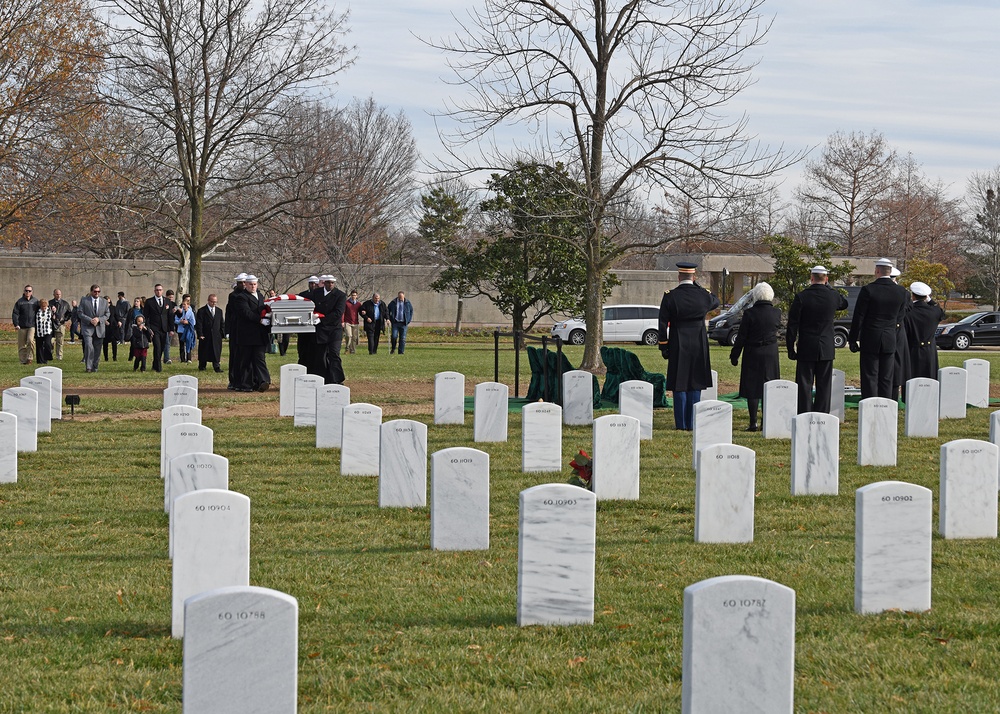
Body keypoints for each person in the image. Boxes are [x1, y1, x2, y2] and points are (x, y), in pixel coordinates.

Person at [657, 262, 720, 430]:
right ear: (694, 277)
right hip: (699, 342)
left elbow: (662, 323)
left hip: (678, 341)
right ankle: (693, 423)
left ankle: (681, 424)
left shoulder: (670, 296)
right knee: (696, 382)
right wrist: (699, 287)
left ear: (679, 277)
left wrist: (664, 345)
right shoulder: (704, 295)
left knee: (680, 383)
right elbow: (716, 301)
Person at [786, 266, 849, 414]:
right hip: (826, 345)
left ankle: (805, 412)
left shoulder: (801, 297)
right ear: (826, 279)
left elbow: (792, 325)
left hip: (807, 345)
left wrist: (790, 347)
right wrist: (830, 288)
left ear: (811, 278)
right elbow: (844, 303)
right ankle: (822, 414)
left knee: (804, 384)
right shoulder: (833, 296)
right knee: (824, 385)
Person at [848, 258, 910, 399]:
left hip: (870, 337)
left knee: (870, 375)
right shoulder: (901, 292)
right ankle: (885, 406)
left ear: (876, 271)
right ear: (890, 272)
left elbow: (859, 316)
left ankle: (870, 405)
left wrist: (853, 339)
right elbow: (900, 317)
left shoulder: (868, 290)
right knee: (886, 377)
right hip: (889, 337)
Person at [730, 283, 781, 432]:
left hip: (753, 352)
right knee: (770, 386)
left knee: (752, 387)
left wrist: (735, 355)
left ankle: (753, 423)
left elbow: (741, 337)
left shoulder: (749, 314)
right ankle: (767, 422)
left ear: (756, 295)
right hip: (771, 353)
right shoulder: (776, 313)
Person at [232, 275, 270, 391]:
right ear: (246, 285)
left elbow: (262, 309)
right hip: (247, 335)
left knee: (260, 359)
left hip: (259, 334)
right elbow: (246, 313)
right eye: (250, 284)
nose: (253, 286)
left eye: (254, 284)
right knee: (246, 360)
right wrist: (260, 319)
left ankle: (264, 381)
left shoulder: (260, 296)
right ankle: (246, 385)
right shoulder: (241, 297)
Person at [904, 281, 945, 381]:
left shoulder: (908, 312)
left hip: (911, 350)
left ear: (913, 296)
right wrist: (930, 300)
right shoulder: (934, 311)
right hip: (929, 351)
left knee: (911, 381)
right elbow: (941, 312)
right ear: (926, 296)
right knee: (929, 381)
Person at [311, 274, 347, 384]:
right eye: (328, 282)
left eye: (332, 283)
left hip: (334, 330)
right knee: (321, 355)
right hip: (321, 330)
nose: (330, 285)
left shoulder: (340, 295)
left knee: (334, 354)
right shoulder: (316, 293)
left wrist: (322, 319)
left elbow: (338, 312)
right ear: (324, 283)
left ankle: (337, 379)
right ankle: (323, 379)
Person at [78, 284, 110, 372]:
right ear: (91, 291)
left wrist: (99, 319)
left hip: (100, 328)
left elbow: (107, 314)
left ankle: (95, 366)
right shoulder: (84, 300)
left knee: (97, 349)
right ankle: (88, 367)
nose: (97, 293)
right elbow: (80, 313)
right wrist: (90, 320)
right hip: (87, 328)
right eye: (95, 291)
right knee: (89, 346)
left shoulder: (104, 302)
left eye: (98, 291)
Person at [143, 283, 172, 372]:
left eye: (160, 290)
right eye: (157, 290)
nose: (158, 291)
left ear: (162, 291)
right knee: (157, 347)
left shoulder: (167, 301)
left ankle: (155, 365)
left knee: (162, 348)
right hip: (154, 329)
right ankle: (158, 368)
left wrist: (171, 329)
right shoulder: (149, 301)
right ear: (154, 291)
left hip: (164, 328)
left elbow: (170, 316)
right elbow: (146, 316)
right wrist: (148, 327)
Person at [226, 273, 247, 389]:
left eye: (244, 282)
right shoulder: (233, 296)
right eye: (241, 283)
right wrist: (228, 330)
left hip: (246, 330)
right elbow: (229, 313)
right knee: (234, 356)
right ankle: (233, 380)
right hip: (235, 329)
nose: (243, 285)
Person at [196, 293, 225, 372]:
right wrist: (200, 334)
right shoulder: (202, 311)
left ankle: (216, 366)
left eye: (215, 302)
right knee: (204, 351)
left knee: (216, 351)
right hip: (205, 335)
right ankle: (202, 366)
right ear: (208, 301)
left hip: (216, 335)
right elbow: (199, 324)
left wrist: (222, 334)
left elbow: (222, 323)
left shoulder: (219, 311)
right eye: (212, 302)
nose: (214, 303)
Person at [297, 275, 320, 373]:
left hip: (316, 325)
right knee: (303, 349)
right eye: (311, 283)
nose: (313, 285)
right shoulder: (302, 294)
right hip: (304, 325)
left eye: (315, 283)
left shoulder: (321, 295)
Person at [12, 285, 38, 365]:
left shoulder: (35, 301)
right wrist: (16, 324)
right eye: (26, 290)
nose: (28, 292)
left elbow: (39, 312)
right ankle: (23, 360)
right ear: (24, 291)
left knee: (30, 341)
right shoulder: (20, 301)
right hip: (21, 326)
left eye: (29, 291)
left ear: (32, 292)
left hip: (31, 325)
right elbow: (15, 313)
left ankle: (29, 358)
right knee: (21, 344)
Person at [387, 290, 413, 355]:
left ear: (404, 296)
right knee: (394, 336)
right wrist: (389, 318)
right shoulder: (393, 302)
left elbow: (411, 311)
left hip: (403, 323)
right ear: (398, 296)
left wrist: (408, 320)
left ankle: (401, 352)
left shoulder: (407, 303)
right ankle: (393, 348)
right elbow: (387, 310)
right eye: (399, 297)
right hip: (395, 322)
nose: (400, 298)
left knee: (403, 338)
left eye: (401, 297)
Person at [174, 294, 197, 363]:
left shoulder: (191, 311)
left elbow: (193, 321)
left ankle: (189, 358)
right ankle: (182, 359)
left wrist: (188, 322)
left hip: (188, 330)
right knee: (181, 345)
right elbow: (175, 320)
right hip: (181, 330)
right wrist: (180, 321)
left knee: (188, 343)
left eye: (186, 304)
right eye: (183, 304)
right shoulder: (179, 311)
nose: (184, 306)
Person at [51, 289, 72, 360]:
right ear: (54, 295)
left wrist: (64, 319)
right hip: (51, 325)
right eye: (57, 294)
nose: (58, 295)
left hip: (61, 325)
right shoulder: (50, 303)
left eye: (59, 294)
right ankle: (50, 355)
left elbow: (69, 313)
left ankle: (59, 356)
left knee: (60, 341)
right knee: (51, 342)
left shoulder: (65, 304)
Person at [34, 298, 54, 365]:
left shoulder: (50, 310)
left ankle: (47, 357)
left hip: (47, 331)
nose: (44, 308)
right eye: (42, 307)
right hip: (39, 331)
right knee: (39, 346)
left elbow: (54, 317)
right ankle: (40, 361)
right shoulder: (37, 311)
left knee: (47, 344)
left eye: (45, 307)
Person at [343, 289, 361, 355]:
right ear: (350, 295)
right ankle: (347, 348)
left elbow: (361, 312)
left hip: (355, 322)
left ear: (357, 296)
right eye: (352, 295)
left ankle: (352, 350)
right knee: (349, 335)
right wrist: (342, 321)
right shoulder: (346, 303)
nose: (353, 296)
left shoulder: (358, 304)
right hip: (347, 322)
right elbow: (343, 312)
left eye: (355, 295)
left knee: (354, 338)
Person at [163, 290, 177, 364]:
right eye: (169, 297)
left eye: (172, 297)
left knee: (167, 342)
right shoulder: (164, 303)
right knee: (166, 342)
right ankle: (166, 358)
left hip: (171, 325)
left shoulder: (174, 304)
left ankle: (166, 357)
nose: (171, 298)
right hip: (164, 325)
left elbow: (176, 316)